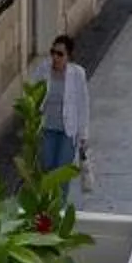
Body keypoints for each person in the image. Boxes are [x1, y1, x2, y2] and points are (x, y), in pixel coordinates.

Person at [38, 33, 88, 175]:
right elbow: (31, 93)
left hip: (68, 131)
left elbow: (83, 106)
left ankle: (61, 198)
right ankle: (50, 198)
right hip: (47, 128)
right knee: (47, 170)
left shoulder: (78, 74)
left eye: (60, 54)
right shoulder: (43, 70)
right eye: (53, 52)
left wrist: (83, 135)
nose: (55, 57)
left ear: (69, 56)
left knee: (61, 173)